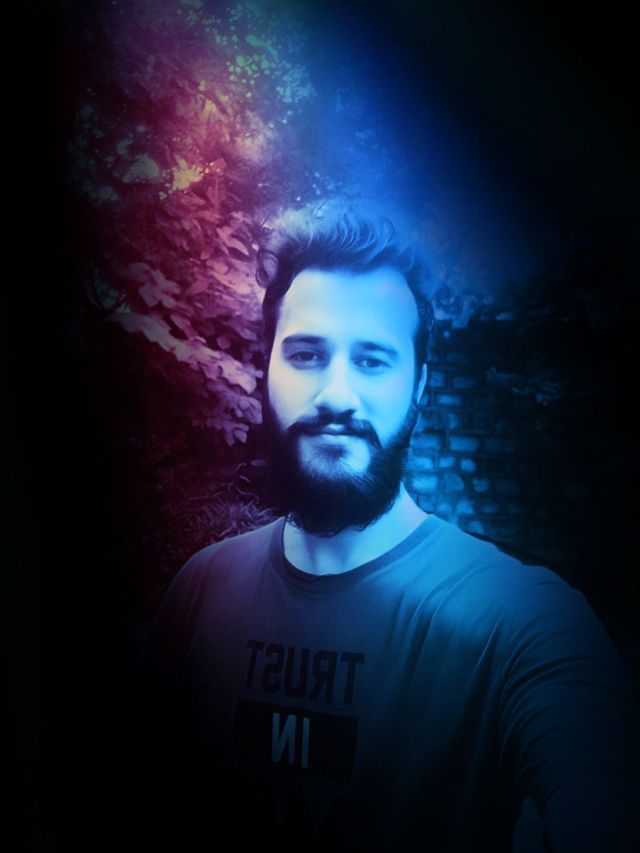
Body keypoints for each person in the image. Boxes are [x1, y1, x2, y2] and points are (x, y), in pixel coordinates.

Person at [137, 206, 638, 852]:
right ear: (266, 368)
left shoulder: (524, 623)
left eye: (373, 360)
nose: (336, 394)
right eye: (306, 354)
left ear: (419, 384)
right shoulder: (200, 589)